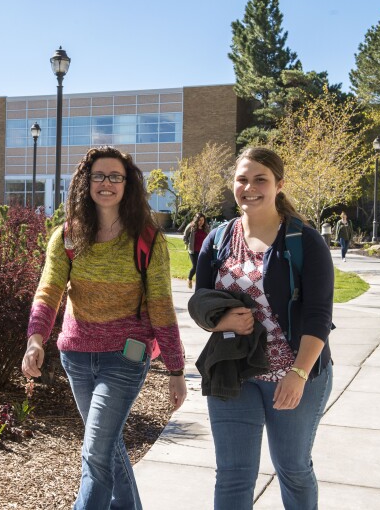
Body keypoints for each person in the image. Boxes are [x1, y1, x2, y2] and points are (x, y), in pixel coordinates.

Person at [22, 146, 186, 510]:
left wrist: (176, 370)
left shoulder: (147, 240)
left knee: (95, 453)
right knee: (107, 447)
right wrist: (36, 341)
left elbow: (161, 307)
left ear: (128, 185)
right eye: (99, 176)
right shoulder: (66, 237)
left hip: (125, 357)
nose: (106, 183)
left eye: (115, 176)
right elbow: (48, 291)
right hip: (76, 356)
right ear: (86, 182)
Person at [194, 146, 334, 510]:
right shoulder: (218, 240)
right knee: (233, 473)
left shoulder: (304, 241)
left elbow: (319, 315)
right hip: (233, 372)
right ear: (233, 184)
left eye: (260, 179)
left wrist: (299, 373)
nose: (250, 187)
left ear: (279, 185)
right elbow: (201, 303)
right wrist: (220, 320)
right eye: (242, 179)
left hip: (293, 373)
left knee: (292, 468)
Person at [183, 212, 209, 289]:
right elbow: (185, 237)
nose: (201, 222)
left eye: (202, 220)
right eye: (199, 220)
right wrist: (188, 243)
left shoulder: (206, 228)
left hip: (203, 251)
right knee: (195, 266)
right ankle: (189, 279)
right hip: (193, 250)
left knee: (201, 267)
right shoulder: (191, 226)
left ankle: (199, 283)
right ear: (196, 220)